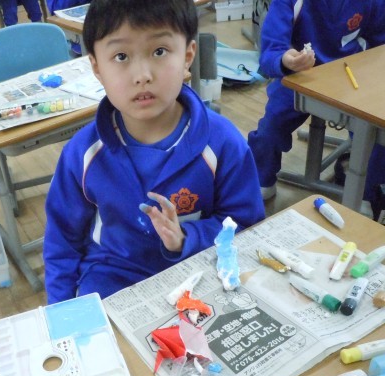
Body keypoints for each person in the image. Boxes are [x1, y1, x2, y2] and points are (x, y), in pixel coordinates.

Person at [43, 0, 265, 304]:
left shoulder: (223, 143)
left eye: (159, 51)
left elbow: (245, 224)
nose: (142, 75)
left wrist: (187, 239)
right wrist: (60, 307)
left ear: (187, 57)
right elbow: (62, 241)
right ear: (96, 67)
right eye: (121, 56)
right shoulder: (83, 153)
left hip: (198, 269)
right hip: (112, 274)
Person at [248, 0, 385, 215]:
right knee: (271, 128)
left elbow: (379, 45)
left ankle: (366, 194)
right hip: (300, 77)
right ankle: (262, 179)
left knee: (375, 133)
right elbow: (270, 51)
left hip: (349, 76)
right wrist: (285, 60)